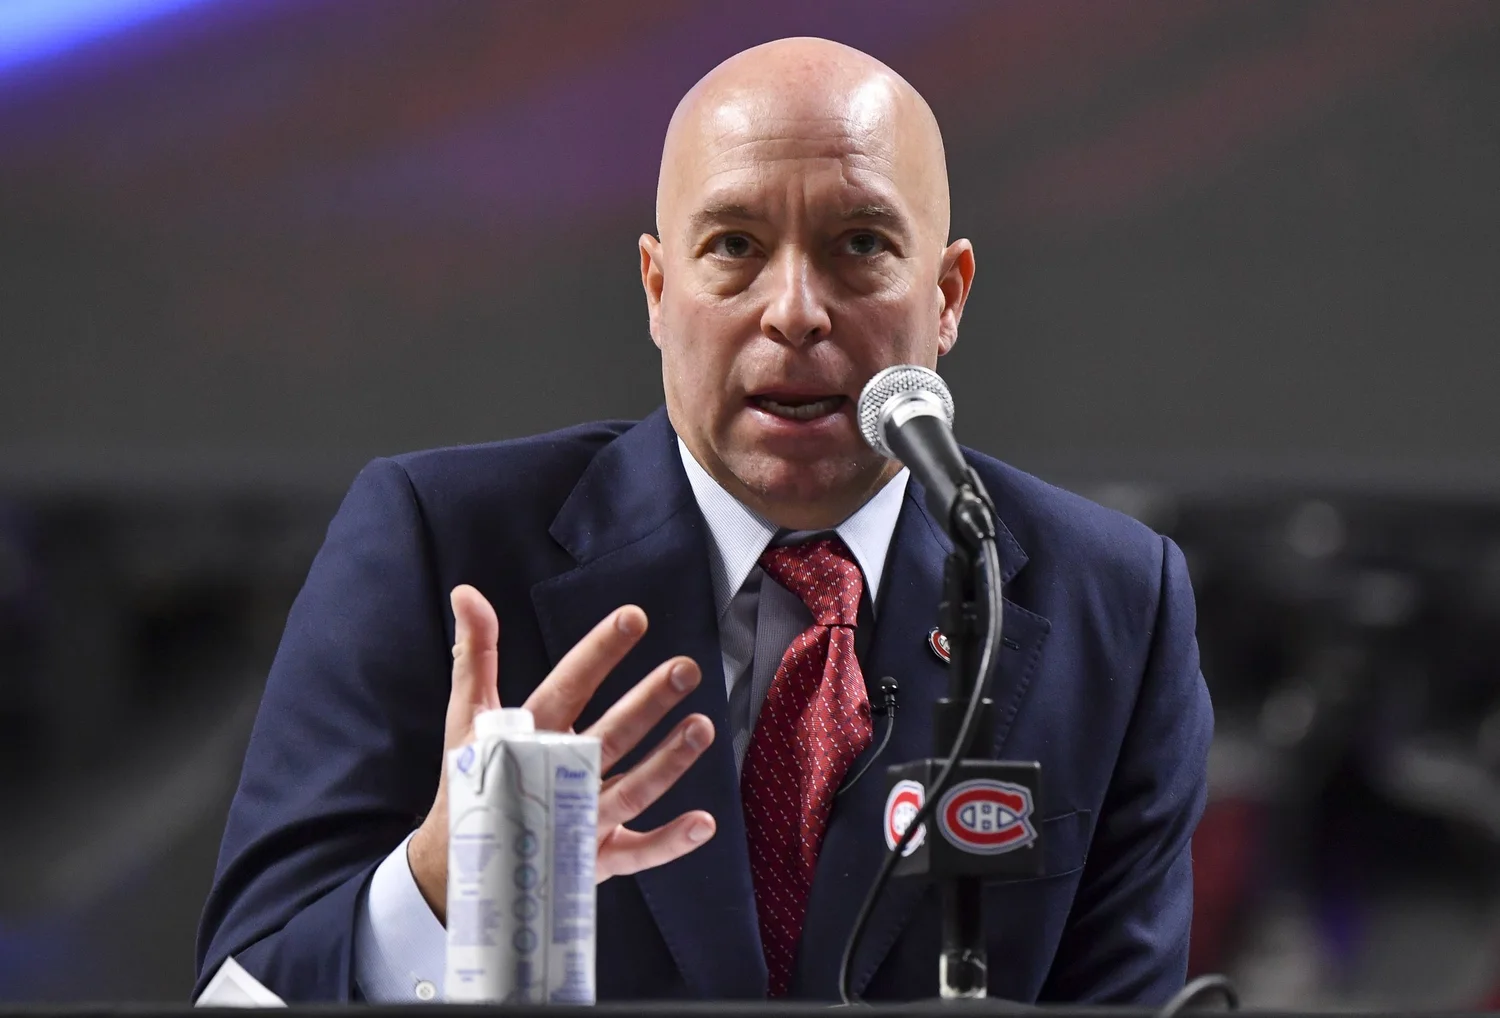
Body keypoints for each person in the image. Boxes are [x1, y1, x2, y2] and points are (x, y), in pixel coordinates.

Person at [196, 37, 1212, 1004]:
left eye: (861, 244)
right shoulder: (440, 546)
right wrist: (438, 884)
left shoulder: (1115, 604)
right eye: (734, 246)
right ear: (658, 288)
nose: (795, 310)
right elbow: (241, 990)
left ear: (946, 297)